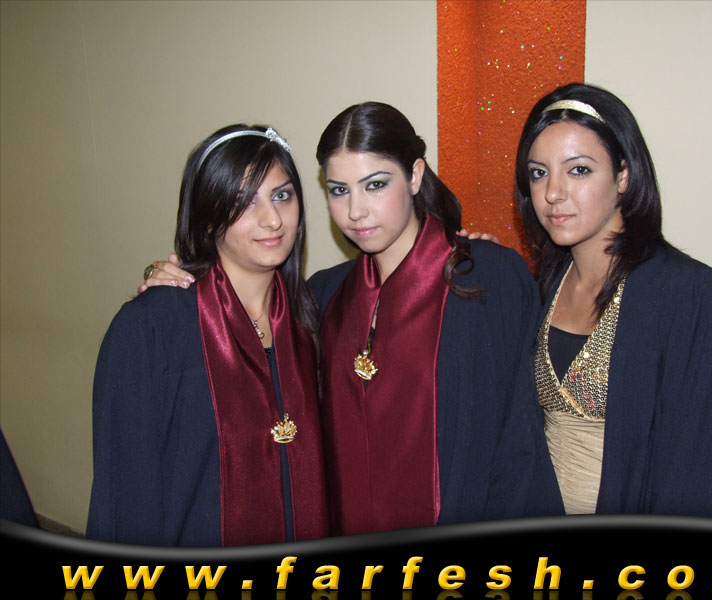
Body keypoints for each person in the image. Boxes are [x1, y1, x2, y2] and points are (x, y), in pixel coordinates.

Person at [140, 103, 565, 536]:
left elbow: (518, 444)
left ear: (415, 175)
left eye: (375, 185)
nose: (355, 211)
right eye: (339, 190)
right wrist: (172, 279)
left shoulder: (488, 281)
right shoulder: (322, 297)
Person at [514, 82, 712, 518]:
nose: (553, 193)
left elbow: (709, 466)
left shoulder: (687, 295)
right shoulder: (541, 288)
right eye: (538, 173)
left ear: (623, 176)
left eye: (579, 170)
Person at [87, 124, 329, 546]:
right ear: (207, 216)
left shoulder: (311, 316)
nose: (272, 219)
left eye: (282, 195)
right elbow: (126, 498)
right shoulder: (152, 329)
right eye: (243, 202)